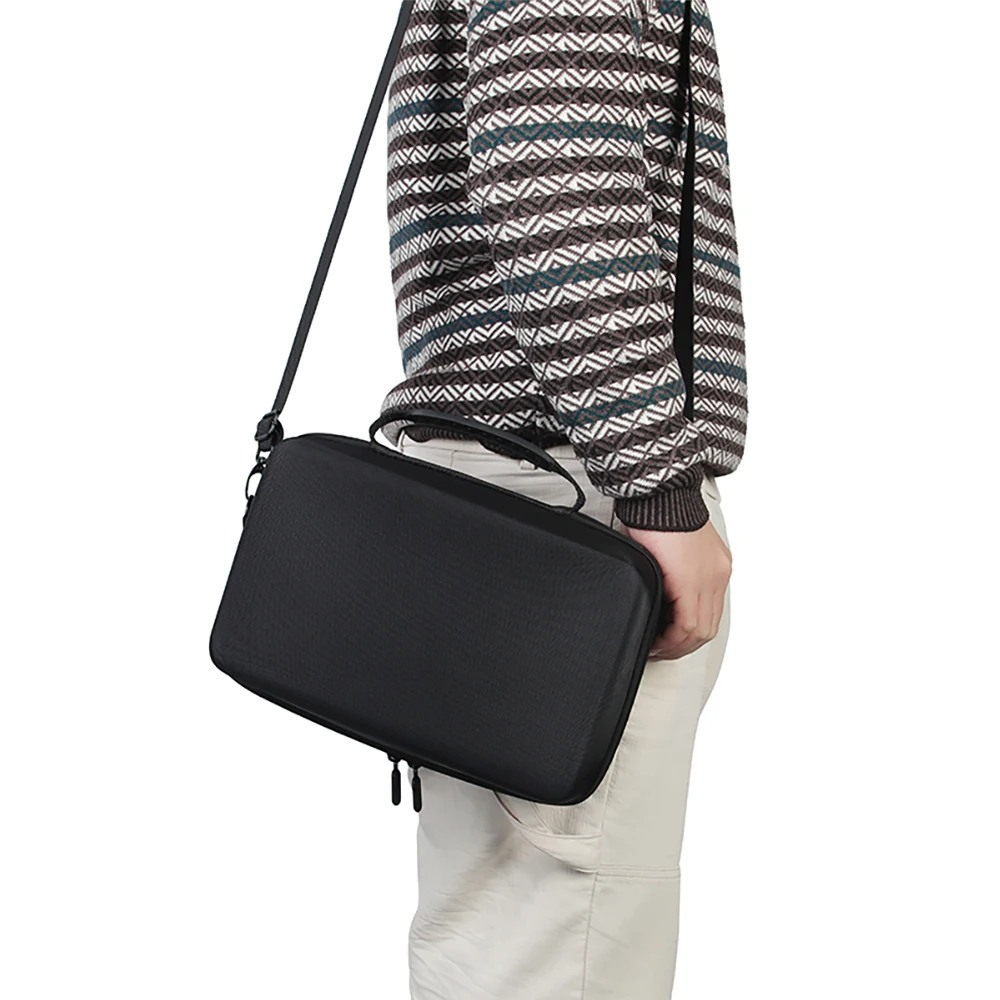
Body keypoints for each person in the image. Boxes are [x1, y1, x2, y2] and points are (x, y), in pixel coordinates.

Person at [378, 1, 745, 996]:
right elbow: (556, 175)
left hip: (534, 491)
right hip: (575, 504)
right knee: (559, 952)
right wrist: (658, 487)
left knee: (506, 946)